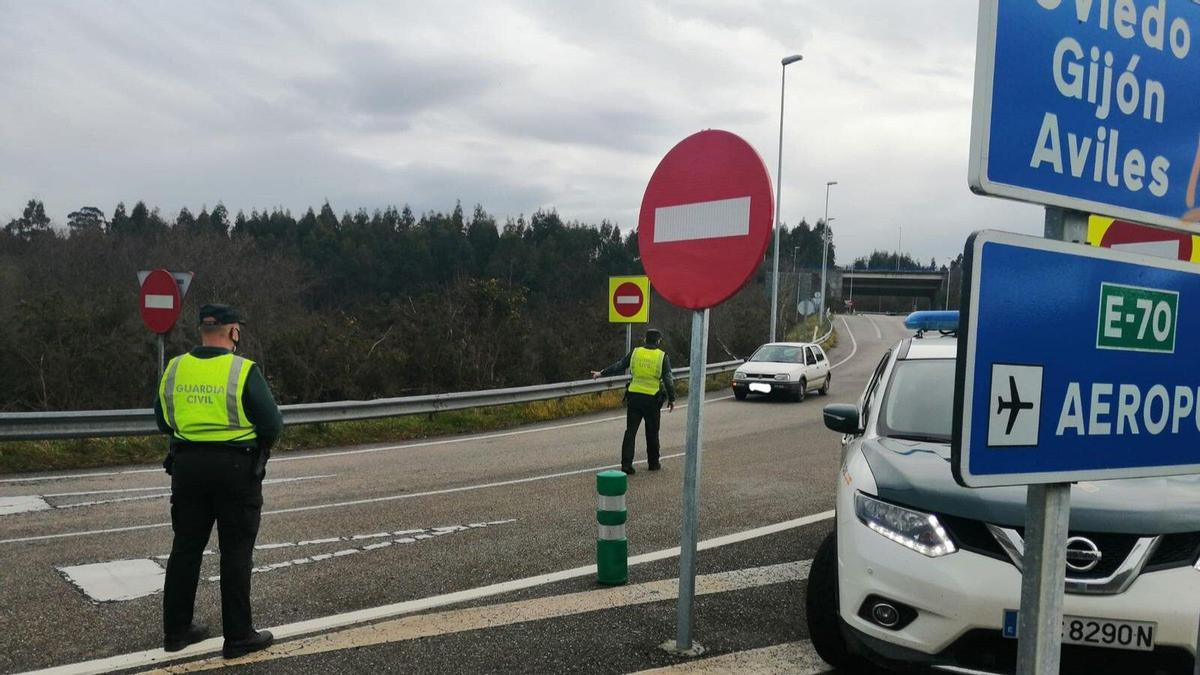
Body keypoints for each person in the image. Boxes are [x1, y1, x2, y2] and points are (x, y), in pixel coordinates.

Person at [154, 304, 282, 659]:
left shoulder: (176, 367)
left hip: (187, 467)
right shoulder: (242, 370)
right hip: (235, 469)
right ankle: (238, 636)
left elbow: (164, 420)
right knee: (236, 552)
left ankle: (176, 632)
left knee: (186, 548)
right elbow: (272, 424)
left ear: (202, 331)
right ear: (233, 332)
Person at [591, 328, 675, 475]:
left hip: (634, 397)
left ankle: (626, 465)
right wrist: (672, 398)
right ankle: (653, 463)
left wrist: (601, 373)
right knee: (652, 432)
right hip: (652, 399)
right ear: (658, 341)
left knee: (630, 432)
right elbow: (668, 379)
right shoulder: (662, 356)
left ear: (644, 339)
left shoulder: (636, 352)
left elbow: (620, 365)